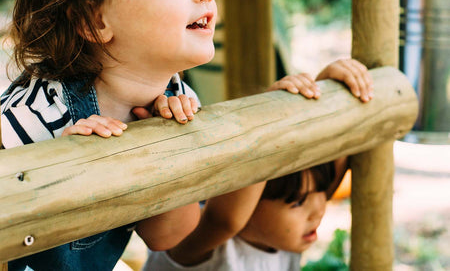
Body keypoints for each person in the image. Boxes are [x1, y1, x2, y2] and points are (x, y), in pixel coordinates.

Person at [1, 0, 217, 270]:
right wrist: (61, 167)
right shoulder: (42, 109)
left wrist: (169, 146)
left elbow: (168, 236)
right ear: (94, 21)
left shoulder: (178, 96)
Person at [143, 59, 373, 271]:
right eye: (299, 202)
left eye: (321, 192)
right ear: (249, 203)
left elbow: (333, 165)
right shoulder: (201, 242)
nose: (319, 209)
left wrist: (325, 87)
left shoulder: (281, 238)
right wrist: (270, 112)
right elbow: (227, 219)